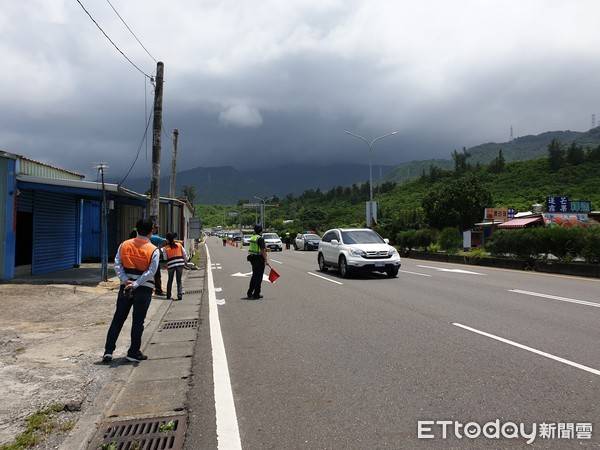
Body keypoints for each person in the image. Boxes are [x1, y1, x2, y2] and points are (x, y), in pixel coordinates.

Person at [103, 218, 159, 363]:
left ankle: (108, 351)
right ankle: (133, 352)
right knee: (137, 321)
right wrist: (136, 283)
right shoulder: (153, 249)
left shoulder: (124, 245)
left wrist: (124, 279)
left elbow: (117, 263)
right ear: (151, 230)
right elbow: (151, 272)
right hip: (143, 289)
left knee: (118, 319)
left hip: (125, 287)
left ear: (137, 228)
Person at [246, 224, 271, 300]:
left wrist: (265, 249)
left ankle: (250, 293)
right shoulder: (260, 238)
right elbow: (263, 251)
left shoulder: (253, 237)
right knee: (259, 277)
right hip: (259, 259)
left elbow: (258, 248)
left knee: (254, 276)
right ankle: (256, 294)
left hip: (252, 258)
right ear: (261, 230)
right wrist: (266, 260)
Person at [162, 232, 188, 300]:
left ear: (167, 240)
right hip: (180, 264)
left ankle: (168, 295)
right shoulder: (179, 245)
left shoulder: (165, 248)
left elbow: (165, 258)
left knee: (170, 280)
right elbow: (184, 254)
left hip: (171, 265)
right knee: (179, 280)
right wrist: (186, 261)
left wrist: (166, 265)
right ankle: (179, 295)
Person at [150, 225, 167, 296]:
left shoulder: (149, 237)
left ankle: (151, 289)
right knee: (157, 275)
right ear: (152, 229)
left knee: (149, 274)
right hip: (153, 258)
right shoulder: (154, 237)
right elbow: (165, 240)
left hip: (148, 257)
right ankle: (158, 290)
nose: (157, 230)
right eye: (156, 228)